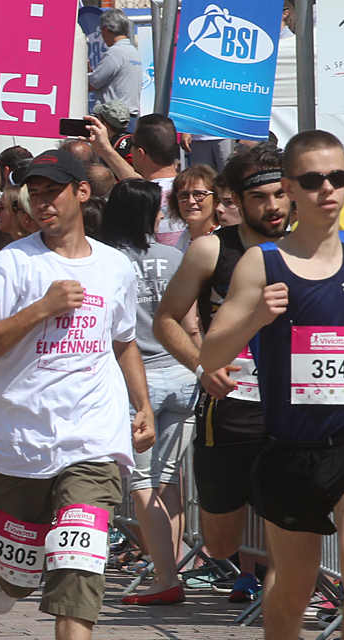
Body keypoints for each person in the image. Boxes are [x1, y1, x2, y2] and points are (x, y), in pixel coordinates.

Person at [0, 148, 154, 640]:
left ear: (81, 195)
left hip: (92, 436)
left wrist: (140, 404)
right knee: (21, 576)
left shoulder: (115, 268)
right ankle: (9, 567)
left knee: (80, 554)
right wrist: (41, 309)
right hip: (20, 440)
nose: (40, 202)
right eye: (31, 193)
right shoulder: (12, 267)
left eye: (52, 191)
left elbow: (122, 341)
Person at [198, 130, 344, 640]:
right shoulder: (264, 263)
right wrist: (259, 315)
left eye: (337, 178)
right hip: (291, 448)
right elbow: (212, 352)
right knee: (290, 587)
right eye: (312, 180)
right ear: (287, 189)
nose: (327, 191)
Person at [153, 143, 290, 614]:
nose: (272, 206)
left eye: (279, 193)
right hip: (232, 405)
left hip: (301, 405)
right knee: (222, 538)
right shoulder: (212, 249)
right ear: (235, 197)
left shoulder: (312, 248)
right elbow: (167, 319)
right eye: (259, 196)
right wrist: (201, 365)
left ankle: (284, 595)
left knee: (295, 518)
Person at [98, 179, 196, 606]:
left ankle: (165, 576)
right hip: (182, 374)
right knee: (168, 482)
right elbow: (189, 322)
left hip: (136, 380)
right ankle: (171, 569)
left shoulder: (105, 260)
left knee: (141, 482)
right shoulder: (174, 256)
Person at [87, 114, 186, 247]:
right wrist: (105, 150)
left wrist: (106, 150)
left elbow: (139, 189)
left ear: (140, 153)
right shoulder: (191, 190)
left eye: (130, 144)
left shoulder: (146, 199)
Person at [88, 10, 142, 129]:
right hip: (130, 117)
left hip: (113, 120)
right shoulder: (133, 52)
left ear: (106, 29)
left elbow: (91, 84)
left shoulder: (115, 52)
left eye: (101, 30)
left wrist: (82, 72)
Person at [166, 165, 220, 252]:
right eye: (183, 195)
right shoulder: (185, 238)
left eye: (199, 194)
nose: (191, 201)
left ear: (216, 199)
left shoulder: (221, 241)